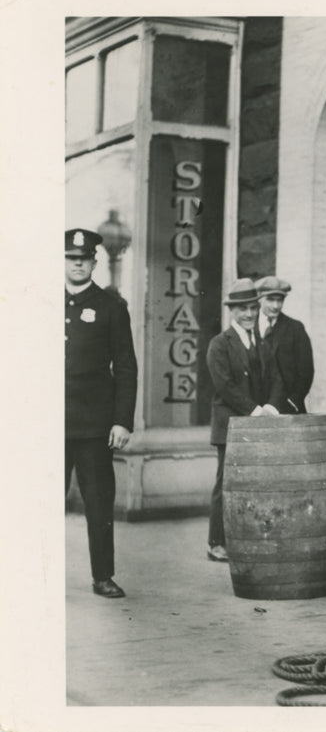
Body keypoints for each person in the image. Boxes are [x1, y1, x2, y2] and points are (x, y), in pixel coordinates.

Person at [65, 228, 138, 598]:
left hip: (94, 425)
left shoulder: (111, 307)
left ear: (94, 262)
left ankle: (102, 575)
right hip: (49, 424)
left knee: (98, 503)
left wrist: (122, 420)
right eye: (70, 258)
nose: (77, 264)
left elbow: (125, 366)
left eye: (83, 258)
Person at [204, 279, 284, 562]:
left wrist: (272, 407)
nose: (249, 314)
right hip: (231, 425)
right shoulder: (220, 344)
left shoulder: (261, 343)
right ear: (231, 311)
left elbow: (276, 377)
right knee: (225, 483)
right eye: (242, 309)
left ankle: (245, 538)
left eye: (252, 308)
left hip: (258, 423)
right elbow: (225, 386)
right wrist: (254, 411)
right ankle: (217, 542)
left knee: (254, 482)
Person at [254, 275, 314, 414]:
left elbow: (306, 372)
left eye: (279, 300)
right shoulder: (250, 327)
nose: (275, 306)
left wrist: (292, 402)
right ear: (259, 298)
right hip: (256, 410)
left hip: (288, 408)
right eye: (270, 300)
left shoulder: (295, 328)